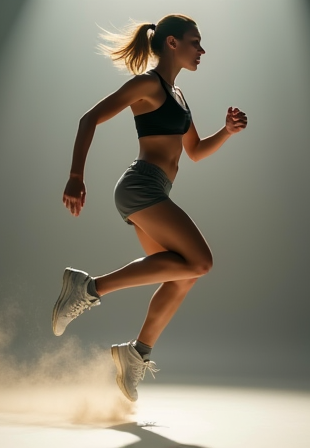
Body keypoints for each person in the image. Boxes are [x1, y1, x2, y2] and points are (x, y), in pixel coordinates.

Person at [52, 14, 248, 402]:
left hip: (156, 189)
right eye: (196, 42)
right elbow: (90, 118)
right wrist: (76, 175)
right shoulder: (148, 85)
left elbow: (193, 152)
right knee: (201, 261)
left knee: (184, 275)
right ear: (172, 43)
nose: (202, 50)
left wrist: (225, 133)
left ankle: (135, 353)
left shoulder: (177, 96)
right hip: (141, 186)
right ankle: (88, 288)